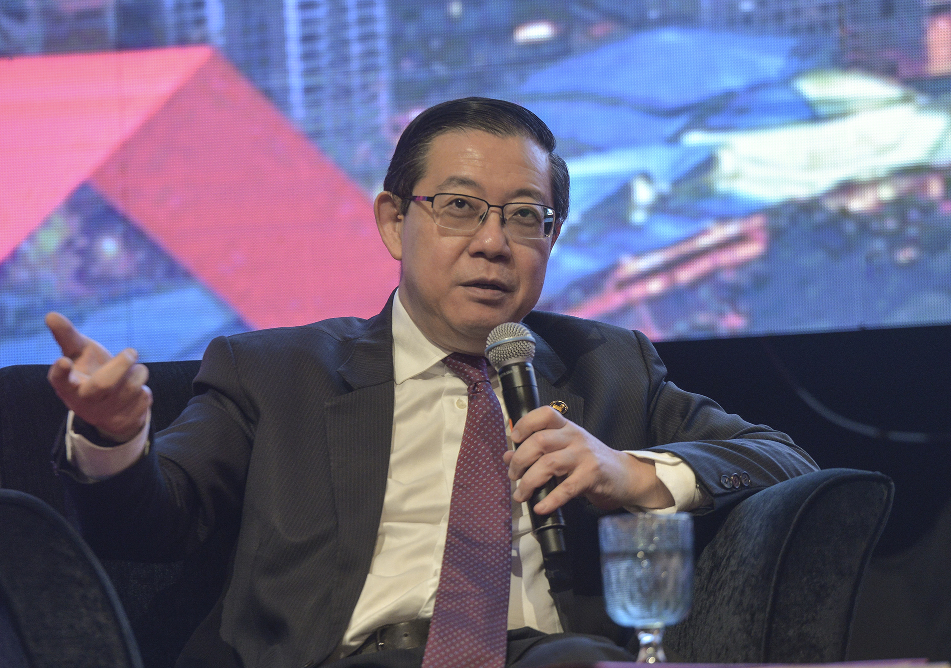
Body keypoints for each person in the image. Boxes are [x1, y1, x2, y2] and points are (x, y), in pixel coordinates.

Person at [45, 97, 818, 668]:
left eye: (525, 217)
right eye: (458, 209)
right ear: (392, 221)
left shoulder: (608, 366)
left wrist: (633, 473)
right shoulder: (274, 372)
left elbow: (784, 459)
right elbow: (151, 523)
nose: (492, 243)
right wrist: (113, 438)